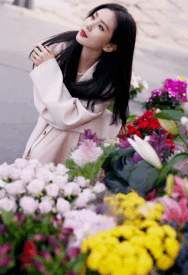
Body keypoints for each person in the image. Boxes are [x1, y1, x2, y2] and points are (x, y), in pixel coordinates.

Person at [22, 3, 137, 166]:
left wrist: (49, 71)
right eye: (93, 16)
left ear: (110, 46)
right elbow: (48, 109)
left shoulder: (108, 83)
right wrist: (107, 123)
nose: (88, 25)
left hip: (77, 147)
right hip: (45, 136)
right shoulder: (57, 50)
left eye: (100, 27)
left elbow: (66, 118)